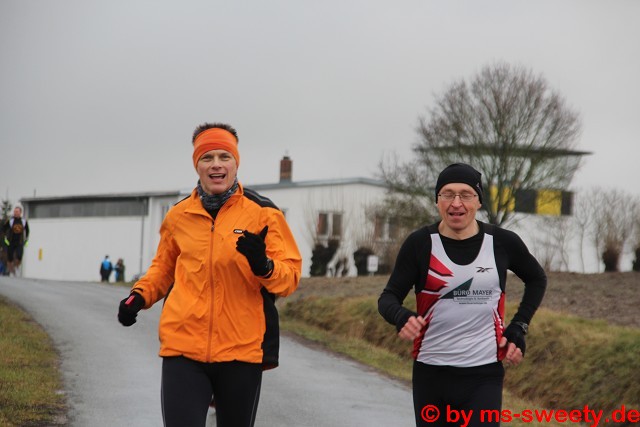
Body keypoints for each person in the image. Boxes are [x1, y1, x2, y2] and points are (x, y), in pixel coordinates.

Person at [117, 122, 302, 427]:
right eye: (207, 157)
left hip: (240, 350)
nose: (216, 164)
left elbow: (290, 277)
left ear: (235, 163)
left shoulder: (263, 213)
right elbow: (163, 268)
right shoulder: (179, 215)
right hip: (183, 346)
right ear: (197, 165)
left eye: (224, 156)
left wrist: (263, 265)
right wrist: (138, 297)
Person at [378, 163, 547, 427]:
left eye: (466, 194)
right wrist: (401, 317)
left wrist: (519, 326)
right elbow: (387, 298)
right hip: (431, 374)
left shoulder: (501, 242)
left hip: (484, 375)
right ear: (437, 201)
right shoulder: (421, 243)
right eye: (447, 194)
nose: (456, 203)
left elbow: (537, 279)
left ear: (479, 201)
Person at [2, 205, 30, 277]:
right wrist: (5, 237)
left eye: (17, 211)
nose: (15, 213)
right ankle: (11, 271)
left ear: (20, 213)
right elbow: (4, 228)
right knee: (10, 257)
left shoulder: (23, 221)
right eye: (14, 211)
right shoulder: (10, 221)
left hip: (19, 242)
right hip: (11, 241)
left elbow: (27, 230)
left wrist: (26, 239)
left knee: (19, 256)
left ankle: (17, 267)